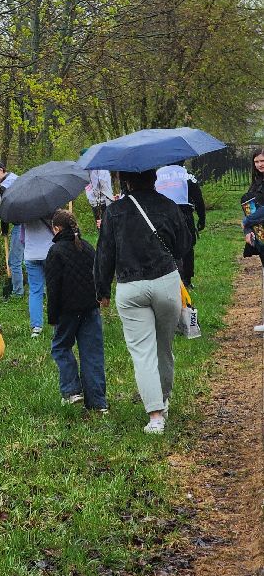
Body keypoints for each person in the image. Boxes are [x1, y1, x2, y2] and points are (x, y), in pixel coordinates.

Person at [94, 169, 190, 434]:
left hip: (130, 287)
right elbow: (184, 245)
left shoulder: (114, 212)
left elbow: (105, 253)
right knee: (164, 348)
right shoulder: (169, 205)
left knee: (143, 353)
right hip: (165, 282)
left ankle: (155, 416)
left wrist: (102, 290)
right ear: (154, 178)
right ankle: (164, 399)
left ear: (125, 181)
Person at [45, 209, 107, 411]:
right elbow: (98, 275)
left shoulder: (55, 252)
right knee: (92, 354)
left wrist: (53, 316)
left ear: (56, 228)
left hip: (67, 311)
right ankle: (98, 402)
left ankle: (72, 390)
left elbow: (53, 288)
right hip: (90, 308)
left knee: (61, 347)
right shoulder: (87, 247)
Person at [155, 162, 206, 288]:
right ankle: (186, 280)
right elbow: (198, 198)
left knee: (164, 247)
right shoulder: (187, 175)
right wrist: (202, 218)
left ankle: (166, 278)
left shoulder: (157, 174)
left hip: (162, 216)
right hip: (184, 215)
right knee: (187, 246)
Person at [0, 160, 24, 298]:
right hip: (31, 223)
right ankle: (39, 290)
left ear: (1, 170)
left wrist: (4, 228)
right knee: (32, 258)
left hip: (20, 225)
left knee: (14, 261)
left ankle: (17, 292)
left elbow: (5, 211)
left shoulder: (5, 187)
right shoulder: (18, 179)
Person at [241, 148, 264, 334]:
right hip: (261, 234)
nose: (260, 164)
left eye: (263, 161)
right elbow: (249, 208)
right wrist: (248, 229)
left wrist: (247, 222)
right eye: (256, 162)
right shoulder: (256, 183)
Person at [23, 216, 54, 336]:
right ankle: (56, 323)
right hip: (50, 253)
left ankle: (36, 327)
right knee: (54, 289)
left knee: (35, 291)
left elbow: (21, 234)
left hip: (31, 254)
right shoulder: (49, 209)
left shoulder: (23, 211)